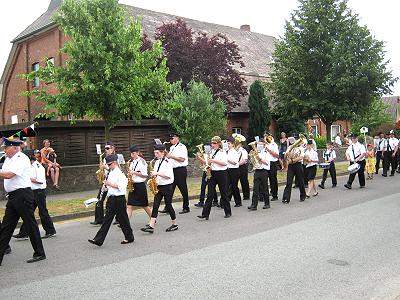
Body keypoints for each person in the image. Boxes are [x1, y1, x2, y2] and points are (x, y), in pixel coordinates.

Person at [0, 138, 46, 265]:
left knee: (30, 224)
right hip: (13, 196)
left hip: (22, 195)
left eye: (6, 147)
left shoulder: (21, 158)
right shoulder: (8, 159)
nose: (4, 150)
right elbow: (3, 173)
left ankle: (39, 253)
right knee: (6, 227)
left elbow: (9, 175)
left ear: (15, 148)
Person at [88, 154, 134, 246]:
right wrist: (106, 188)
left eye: (109, 164)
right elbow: (111, 187)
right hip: (111, 199)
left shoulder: (120, 173)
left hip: (119, 199)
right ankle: (98, 240)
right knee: (107, 220)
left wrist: (110, 184)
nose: (108, 166)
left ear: (114, 163)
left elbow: (121, 187)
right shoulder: (111, 173)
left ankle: (129, 237)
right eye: (108, 165)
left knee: (123, 219)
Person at [13, 150, 56, 240]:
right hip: (32, 192)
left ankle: (50, 231)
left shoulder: (38, 167)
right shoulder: (30, 167)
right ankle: (24, 232)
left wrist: (27, 179)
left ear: (29, 158)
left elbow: (40, 181)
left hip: (39, 192)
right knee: (28, 212)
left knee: (43, 212)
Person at [141, 144, 178, 233]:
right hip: (159, 186)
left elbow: (168, 176)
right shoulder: (157, 162)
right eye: (155, 153)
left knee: (168, 205)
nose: (155, 155)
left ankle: (175, 224)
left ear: (162, 152)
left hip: (167, 187)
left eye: (157, 153)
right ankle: (151, 225)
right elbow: (157, 174)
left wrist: (157, 173)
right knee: (155, 205)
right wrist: (154, 178)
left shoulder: (168, 162)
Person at [197, 136, 232, 220]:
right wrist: (200, 158)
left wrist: (213, 160)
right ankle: (205, 214)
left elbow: (224, 163)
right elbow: (206, 162)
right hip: (212, 173)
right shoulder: (209, 152)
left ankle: (228, 212)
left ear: (219, 144)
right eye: (212, 143)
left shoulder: (222, 152)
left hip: (221, 173)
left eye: (214, 143)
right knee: (210, 194)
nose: (212, 145)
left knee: (223, 193)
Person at [160, 132, 190, 214]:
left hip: (180, 170)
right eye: (170, 139)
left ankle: (186, 207)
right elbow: (170, 159)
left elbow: (182, 159)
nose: (170, 140)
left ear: (177, 138)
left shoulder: (182, 147)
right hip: (172, 170)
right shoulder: (172, 147)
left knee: (183, 189)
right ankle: (167, 207)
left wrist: (171, 156)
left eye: (172, 138)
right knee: (170, 190)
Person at [90, 142, 116, 225]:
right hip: (105, 181)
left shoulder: (115, 158)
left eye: (108, 148)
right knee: (99, 199)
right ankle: (99, 219)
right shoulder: (104, 158)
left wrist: (106, 167)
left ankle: (119, 218)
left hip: (112, 182)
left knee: (114, 201)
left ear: (112, 149)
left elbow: (115, 170)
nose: (106, 150)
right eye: (105, 148)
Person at [126, 145, 151, 223]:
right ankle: (126, 222)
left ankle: (153, 218)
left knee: (144, 205)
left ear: (137, 153)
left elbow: (145, 175)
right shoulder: (132, 162)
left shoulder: (142, 162)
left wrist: (134, 173)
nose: (131, 155)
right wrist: (130, 174)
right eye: (131, 153)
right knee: (129, 205)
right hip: (133, 185)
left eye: (133, 153)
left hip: (140, 185)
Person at [282, 136, 306, 203]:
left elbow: (301, 157)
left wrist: (292, 160)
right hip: (291, 166)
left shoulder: (301, 148)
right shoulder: (290, 147)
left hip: (298, 165)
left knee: (301, 181)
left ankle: (303, 196)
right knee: (289, 182)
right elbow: (285, 157)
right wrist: (286, 155)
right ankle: (286, 198)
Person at [248, 140, 270, 210]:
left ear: (264, 145)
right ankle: (254, 205)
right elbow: (253, 162)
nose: (259, 146)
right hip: (257, 171)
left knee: (265, 188)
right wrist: (252, 158)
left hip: (264, 171)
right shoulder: (256, 152)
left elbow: (267, 163)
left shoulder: (266, 153)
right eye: (258, 145)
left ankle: (267, 203)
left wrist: (259, 159)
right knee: (255, 189)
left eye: (261, 145)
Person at [226, 137, 242, 207]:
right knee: (226, 186)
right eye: (227, 143)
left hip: (234, 171)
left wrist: (226, 158)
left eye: (229, 143)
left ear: (232, 144)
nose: (227, 145)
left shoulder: (234, 152)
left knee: (234, 187)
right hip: (228, 170)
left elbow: (235, 162)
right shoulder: (227, 151)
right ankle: (224, 203)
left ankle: (238, 202)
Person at [264, 135, 279, 201]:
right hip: (266, 163)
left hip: (272, 163)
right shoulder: (266, 145)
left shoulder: (274, 145)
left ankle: (275, 195)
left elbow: (277, 155)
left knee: (273, 179)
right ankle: (265, 194)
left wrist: (269, 150)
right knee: (264, 179)